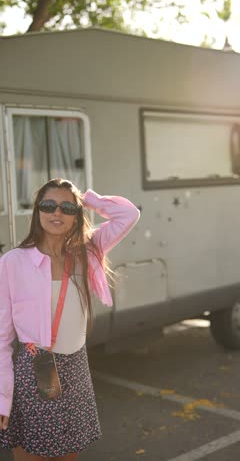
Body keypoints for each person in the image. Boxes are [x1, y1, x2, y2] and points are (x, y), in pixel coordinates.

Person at [0, 178, 140, 461]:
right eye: (49, 205)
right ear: (37, 211)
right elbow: (1, 338)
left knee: (67, 457)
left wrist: (87, 200)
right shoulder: (13, 262)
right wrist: (2, 399)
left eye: (67, 208)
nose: (57, 213)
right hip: (34, 371)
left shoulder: (87, 253)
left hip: (75, 368)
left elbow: (129, 214)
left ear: (77, 215)